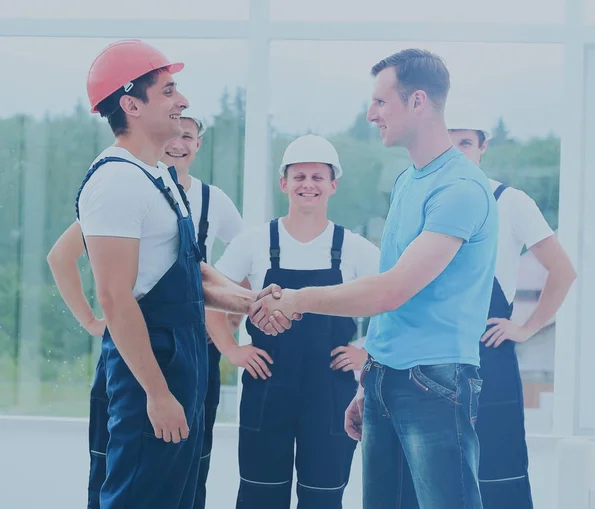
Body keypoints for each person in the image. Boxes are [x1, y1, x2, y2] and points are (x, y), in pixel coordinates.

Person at [249, 49, 499, 509]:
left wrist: (295, 299)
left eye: (382, 102)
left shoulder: (460, 190)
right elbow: (393, 290)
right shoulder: (409, 180)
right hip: (389, 378)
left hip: (435, 382)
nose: (371, 114)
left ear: (418, 101)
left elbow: (391, 290)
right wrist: (371, 382)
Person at [68, 39, 291, 509]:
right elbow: (114, 297)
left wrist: (250, 303)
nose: (183, 101)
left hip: (183, 357)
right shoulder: (115, 182)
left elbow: (190, 269)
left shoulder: (157, 175)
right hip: (152, 364)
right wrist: (156, 393)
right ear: (131, 104)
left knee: (179, 497)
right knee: (139, 496)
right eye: (168, 91)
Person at [214, 134, 379, 508]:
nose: (308, 185)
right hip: (266, 389)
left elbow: (397, 298)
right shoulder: (254, 242)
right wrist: (231, 349)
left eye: (318, 177)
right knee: (259, 497)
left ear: (333, 185)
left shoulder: (353, 248)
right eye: (300, 176)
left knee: (322, 498)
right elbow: (210, 297)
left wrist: (366, 351)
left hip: (331, 394)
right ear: (284, 182)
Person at [448, 121, 576, 509]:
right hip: (432, 356)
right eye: (448, 143)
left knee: (499, 473)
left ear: (483, 146)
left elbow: (563, 270)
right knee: (436, 479)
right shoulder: (425, 199)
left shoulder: (511, 202)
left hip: (490, 357)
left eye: (466, 143)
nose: (457, 152)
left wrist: (526, 328)